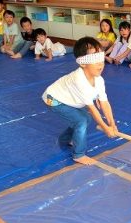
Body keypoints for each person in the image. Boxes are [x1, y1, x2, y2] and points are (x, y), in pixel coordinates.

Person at [42, 37, 118, 165]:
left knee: (85, 119)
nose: (100, 64)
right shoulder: (79, 79)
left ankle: (66, 139)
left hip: (70, 98)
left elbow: (104, 102)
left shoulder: (99, 79)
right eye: (95, 61)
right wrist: (105, 128)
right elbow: (93, 109)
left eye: (101, 59)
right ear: (83, 63)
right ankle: (79, 154)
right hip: (53, 98)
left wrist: (112, 124)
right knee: (81, 120)